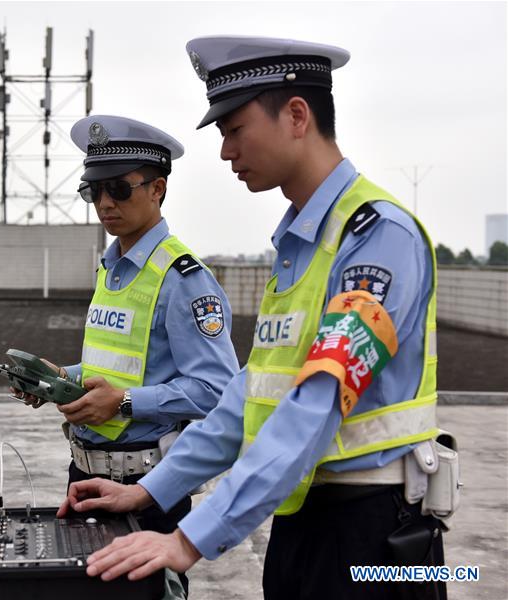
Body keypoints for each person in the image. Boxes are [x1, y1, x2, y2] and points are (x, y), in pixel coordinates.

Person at [59, 37, 448, 600]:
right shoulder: (300, 245)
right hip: (304, 523)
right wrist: (150, 491)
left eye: (234, 129)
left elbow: (315, 408)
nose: (225, 152)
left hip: (379, 543)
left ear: (295, 115)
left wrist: (190, 539)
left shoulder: (376, 239)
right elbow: (248, 394)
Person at [16, 115, 239, 593]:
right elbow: (112, 367)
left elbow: (218, 389)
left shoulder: (184, 279)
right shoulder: (111, 268)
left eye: (118, 188)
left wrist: (123, 403)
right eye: (92, 191)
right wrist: (60, 376)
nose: (104, 203)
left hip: (147, 490)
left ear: (157, 189)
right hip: (86, 477)